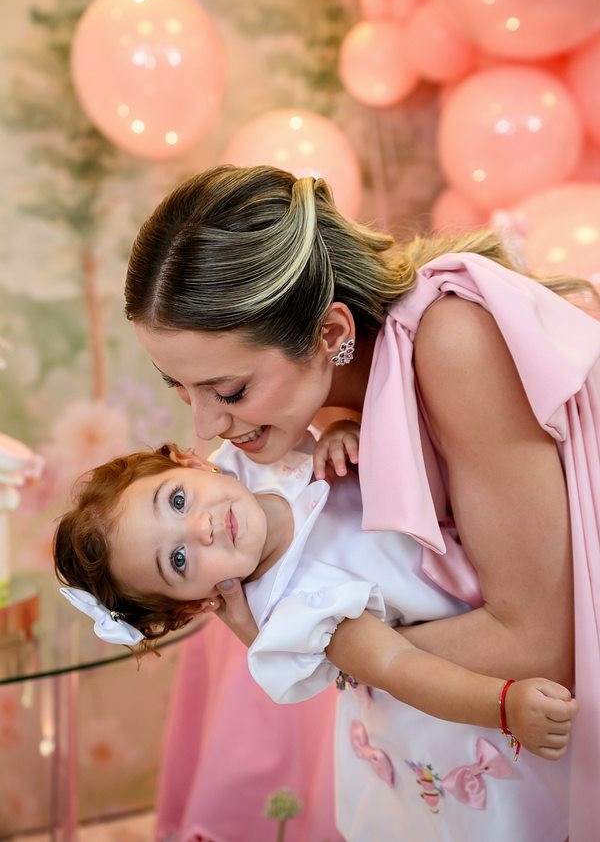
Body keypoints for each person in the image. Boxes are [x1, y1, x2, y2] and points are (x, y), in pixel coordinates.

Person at [122, 165, 600, 841]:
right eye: (179, 386)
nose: (205, 426)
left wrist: (322, 643)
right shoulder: (317, 420)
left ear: (328, 333)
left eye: (229, 392)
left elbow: (538, 647)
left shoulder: (453, 342)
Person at [55, 437, 576, 839]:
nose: (200, 528)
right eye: (178, 559)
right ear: (196, 603)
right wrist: (503, 705)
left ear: (192, 464)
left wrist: (342, 430)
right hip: (463, 688)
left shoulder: (257, 458)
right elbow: (397, 667)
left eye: (176, 500)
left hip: (489, 542)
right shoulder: (298, 609)